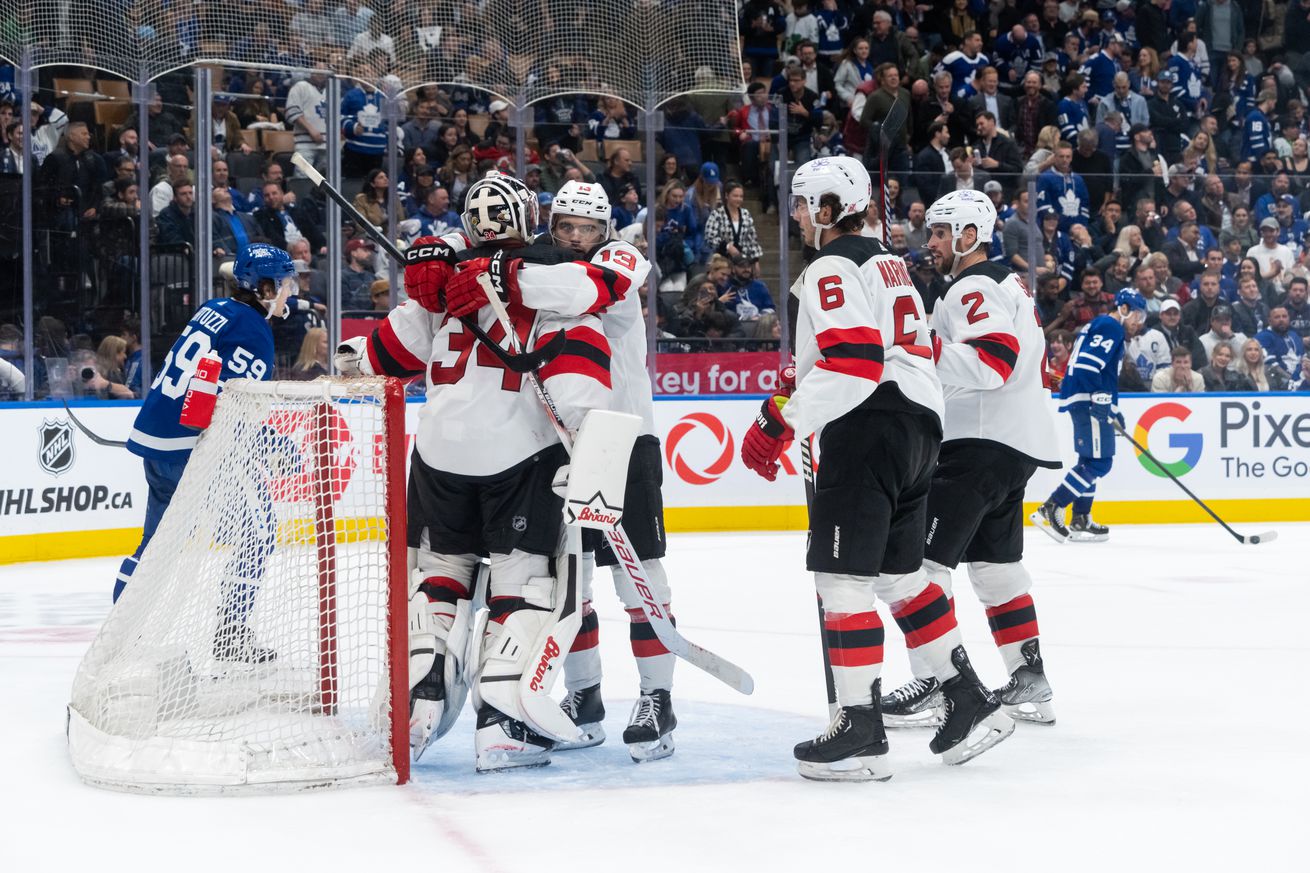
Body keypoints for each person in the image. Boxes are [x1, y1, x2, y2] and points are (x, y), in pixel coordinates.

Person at [742, 156, 1013, 782]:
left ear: (833, 207)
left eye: (806, 203)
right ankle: (969, 701)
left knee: (840, 581)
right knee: (900, 576)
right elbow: (859, 350)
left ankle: (860, 730)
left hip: (868, 423)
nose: (798, 215)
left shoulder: (832, 264)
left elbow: (855, 360)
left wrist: (785, 424)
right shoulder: (889, 264)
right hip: (919, 423)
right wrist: (795, 392)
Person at [338, 174, 616, 772]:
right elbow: (579, 390)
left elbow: (377, 359)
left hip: (437, 457)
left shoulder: (434, 290)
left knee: (440, 577)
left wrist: (344, 356)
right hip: (519, 455)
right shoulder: (550, 284)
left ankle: (417, 706)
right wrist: (594, 449)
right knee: (525, 584)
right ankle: (504, 724)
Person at [498, 180, 676, 761]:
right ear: (552, 226)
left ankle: (658, 699)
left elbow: (589, 293)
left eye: (588, 229)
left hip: (623, 439)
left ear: (605, 231)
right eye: (567, 227)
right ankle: (585, 698)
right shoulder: (542, 266)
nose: (577, 239)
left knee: (639, 576)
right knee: (571, 582)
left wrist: (501, 273)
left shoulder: (619, 259)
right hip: (560, 446)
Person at [878, 188, 1061, 731]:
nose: (930, 241)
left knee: (921, 568)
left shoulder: (971, 285)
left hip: (976, 445)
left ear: (969, 236)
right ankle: (1030, 680)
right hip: (1013, 446)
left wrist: (918, 347)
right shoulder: (1007, 283)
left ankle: (936, 684)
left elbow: (993, 363)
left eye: (940, 232)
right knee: (996, 568)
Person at [115, 243, 293, 638]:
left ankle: (118, 637)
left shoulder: (213, 308)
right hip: (195, 448)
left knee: (156, 544)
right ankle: (232, 634)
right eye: (284, 284)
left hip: (158, 437)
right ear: (264, 288)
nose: (290, 292)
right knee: (258, 530)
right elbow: (233, 403)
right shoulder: (254, 330)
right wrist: (274, 445)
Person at [1032, 289, 1147, 544]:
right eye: (1137, 315)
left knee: (1089, 459)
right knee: (1100, 463)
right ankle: (1051, 507)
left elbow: (1096, 369)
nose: (1139, 322)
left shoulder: (1103, 325)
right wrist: (1101, 399)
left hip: (1088, 398)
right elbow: (1086, 365)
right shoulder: (1111, 326)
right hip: (1089, 399)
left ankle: (1080, 517)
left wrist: (1112, 408)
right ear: (1125, 309)